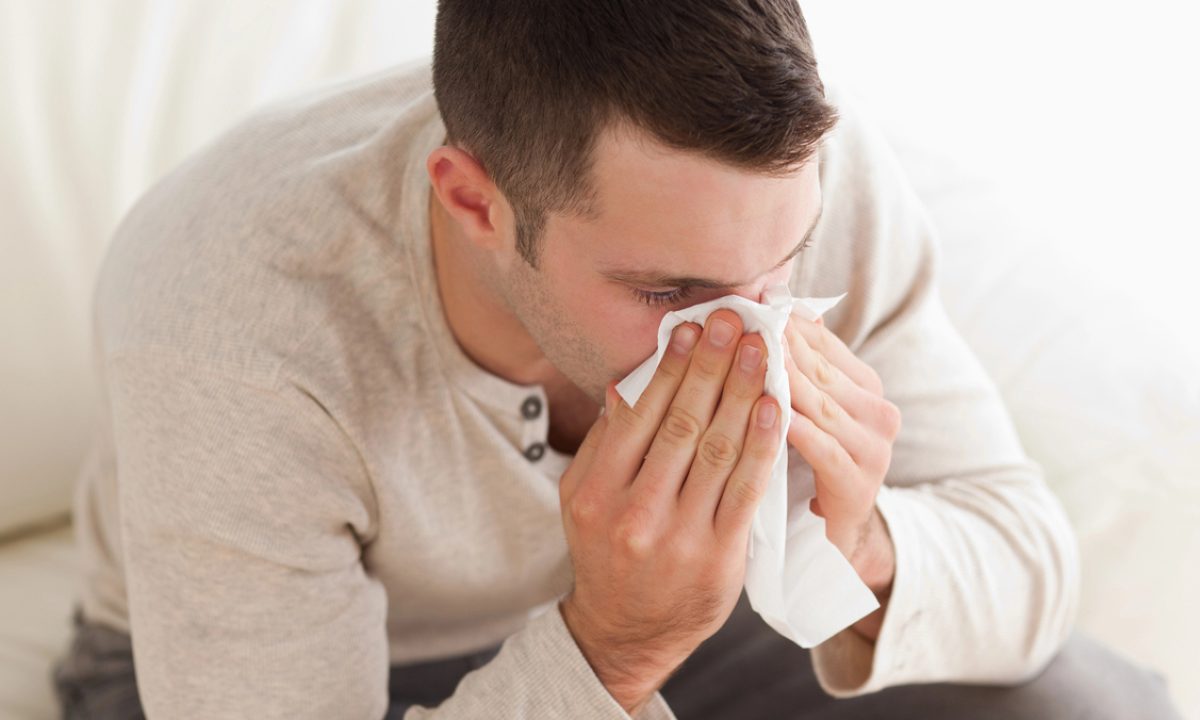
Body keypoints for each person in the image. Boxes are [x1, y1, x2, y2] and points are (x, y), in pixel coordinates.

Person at [52, 1, 1183, 718]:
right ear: (475, 203)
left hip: (685, 620)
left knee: (1080, 703)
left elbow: (1028, 561)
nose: (745, 335)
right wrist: (609, 646)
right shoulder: (235, 312)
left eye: (782, 265)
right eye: (671, 292)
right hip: (263, 667)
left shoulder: (802, 183)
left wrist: (861, 548)